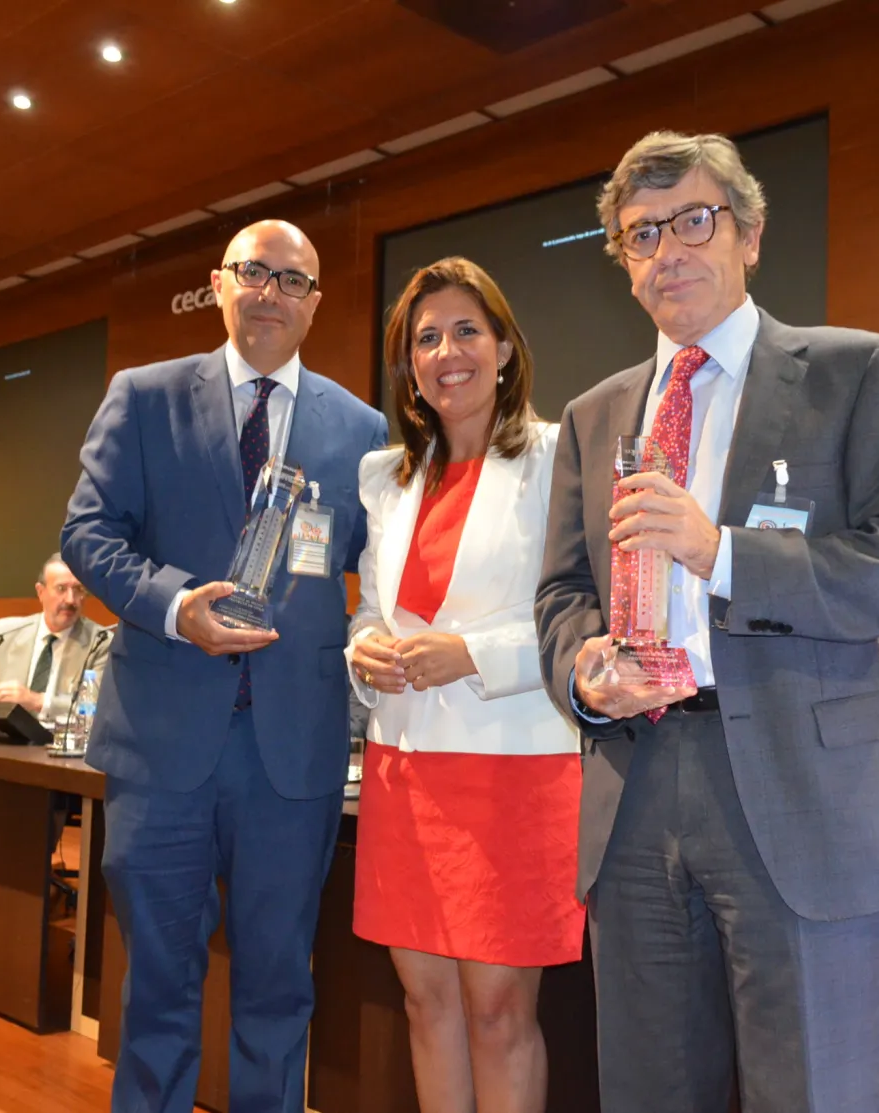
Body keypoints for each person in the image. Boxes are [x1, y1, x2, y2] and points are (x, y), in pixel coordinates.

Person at [534, 131, 879, 1113]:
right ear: (624, 263)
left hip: (799, 791)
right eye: (642, 234)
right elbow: (560, 594)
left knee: (811, 1094)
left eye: (694, 221)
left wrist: (719, 552)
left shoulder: (854, 371)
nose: (668, 251)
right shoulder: (595, 416)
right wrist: (584, 672)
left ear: (751, 235)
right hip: (634, 788)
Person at [61, 219, 387, 1113]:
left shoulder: (361, 430)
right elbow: (87, 533)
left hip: (292, 756)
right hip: (161, 746)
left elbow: (385, 571)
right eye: (255, 273)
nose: (271, 292)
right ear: (219, 284)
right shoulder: (145, 396)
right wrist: (176, 607)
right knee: (157, 988)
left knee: (278, 989)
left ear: (315, 302)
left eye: (293, 280)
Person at [348, 257, 579, 1113]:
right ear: (409, 365)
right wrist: (363, 649)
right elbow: (370, 609)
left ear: (506, 347)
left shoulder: (559, 455)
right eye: (427, 338)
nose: (447, 352)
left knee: (497, 1007)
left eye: (467, 331)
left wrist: (475, 653)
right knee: (426, 1001)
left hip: (514, 769)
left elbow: (581, 608)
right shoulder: (386, 475)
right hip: (405, 769)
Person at [0, 553, 111, 722]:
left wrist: (37, 701)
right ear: (40, 592)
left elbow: (99, 709)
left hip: (60, 737)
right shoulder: (3, 634)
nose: (71, 600)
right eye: (61, 589)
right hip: (3, 735)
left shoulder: (100, 642)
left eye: (78, 589)